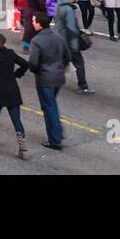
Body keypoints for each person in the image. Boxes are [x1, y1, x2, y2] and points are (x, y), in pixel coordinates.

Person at [0, 34, 29, 159]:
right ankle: (22, 145)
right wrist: (16, 74)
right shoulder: (11, 54)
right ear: (4, 42)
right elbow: (25, 64)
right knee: (16, 119)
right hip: (12, 90)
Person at [27, 13, 69, 150]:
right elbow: (67, 56)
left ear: (39, 23)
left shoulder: (36, 41)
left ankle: (55, 139)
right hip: (58, 76)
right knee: (52, 105)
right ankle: (58, 132)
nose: (33, 23)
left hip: (45, 79)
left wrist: (36, 71)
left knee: (49, 108)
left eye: (34, 21)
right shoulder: (58, 38)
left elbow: (33, 63)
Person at [54, 0, 93, 93]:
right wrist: (75, 46)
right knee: (79, 63)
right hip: (69, 42)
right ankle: (83, 86)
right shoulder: (68, 9)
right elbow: (72, 29)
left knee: (63, 62)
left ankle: (52, 79)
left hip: (61, 39)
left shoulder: (59, 5)